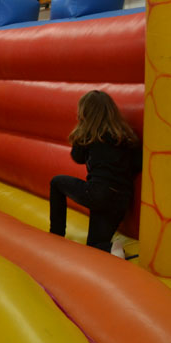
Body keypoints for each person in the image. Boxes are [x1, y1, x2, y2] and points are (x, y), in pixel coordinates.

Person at [49, 90, 141, 254]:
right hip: (121, 199)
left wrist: (81, 128)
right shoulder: (125, 136)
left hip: (98, 193)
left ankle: (56, 235)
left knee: (56, 182)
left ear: (85, 114)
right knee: (95, 246)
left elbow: (77, 157)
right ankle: (112, 248)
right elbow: (137, 164)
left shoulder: (90, 135)